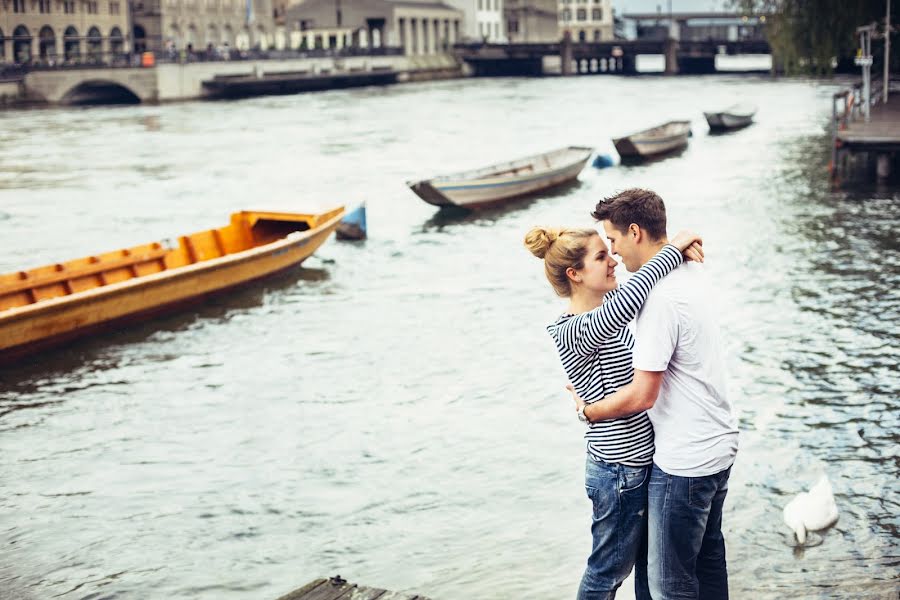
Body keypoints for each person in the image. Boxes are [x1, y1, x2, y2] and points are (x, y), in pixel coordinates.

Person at [568, 188, 740, 600]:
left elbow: (644, 394)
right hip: (718, 444)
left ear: (634, 232)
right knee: (708, 565)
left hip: (684, 460)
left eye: (613, 240)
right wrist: (676, 247)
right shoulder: (691, 272)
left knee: (670, 584)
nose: (614, 253)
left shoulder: (658, 299)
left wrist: (589, 412)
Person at [525, 224, 703, 600]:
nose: (614, 262)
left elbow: (643, 292)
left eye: (611, 252)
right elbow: (636, 293)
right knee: (607, 571)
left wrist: (676, 260)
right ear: (574, 274)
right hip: (618, 471)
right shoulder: (575, 329)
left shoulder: (608, 307)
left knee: (645, 567)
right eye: (601, 257)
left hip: (637, 465)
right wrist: (672, 249)